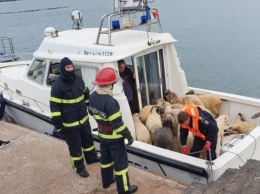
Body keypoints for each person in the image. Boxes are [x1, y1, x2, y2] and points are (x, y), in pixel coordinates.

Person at [89, 67, 138, 194]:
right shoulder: (111, 102)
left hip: (102, 135)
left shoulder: (92, 96)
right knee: (120, 164)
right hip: (115, 138)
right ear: (109, 85)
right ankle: (124, 189)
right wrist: (128, 135)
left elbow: (91, 112)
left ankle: (106, 181)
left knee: (105, 160)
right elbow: (117, 124)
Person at [50, 57, 100, 178]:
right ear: (62, 69)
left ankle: (91, 158)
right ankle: (79, 167)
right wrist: (59, 127)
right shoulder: (57, 86)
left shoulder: (79, 80)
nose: (71, 69)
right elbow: (55, 108)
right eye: (68, 67)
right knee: (75, 147)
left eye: (72, 67)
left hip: (83, 120)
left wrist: (91, 108)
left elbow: (86, 95)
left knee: (88, 142)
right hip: (70, 124)